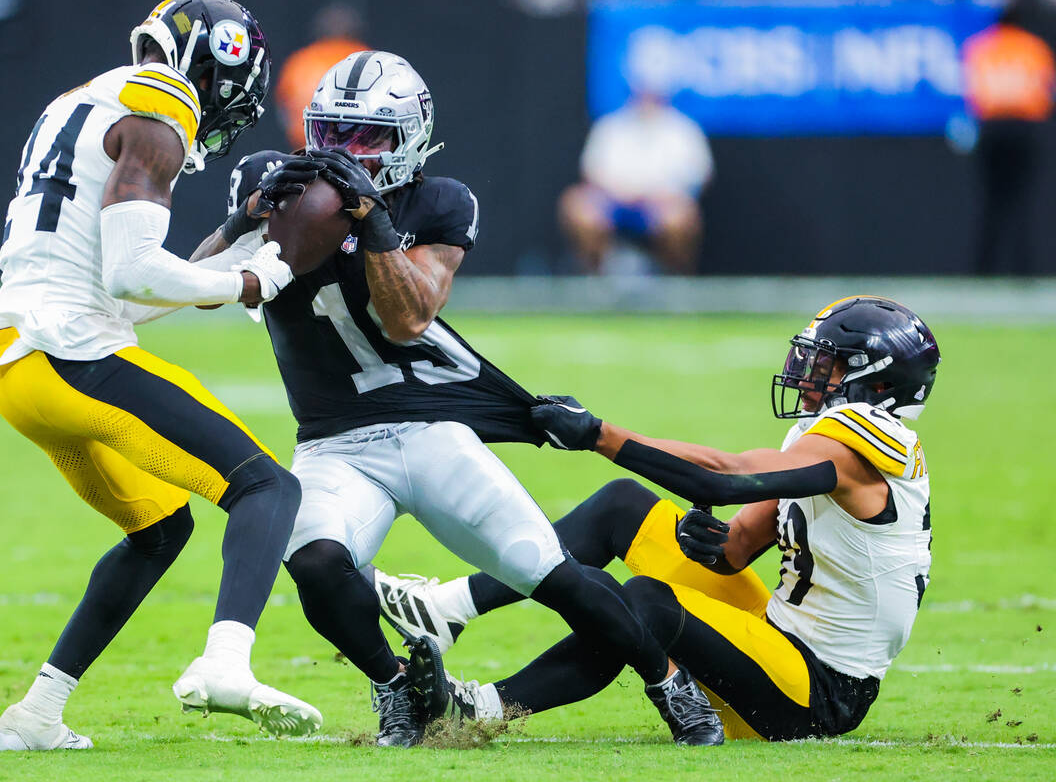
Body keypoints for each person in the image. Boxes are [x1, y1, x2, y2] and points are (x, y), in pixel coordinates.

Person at [196, 50, 668, 748]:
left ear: (411, 136)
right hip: (333, 440)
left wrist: (372, 219)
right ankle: (401, 690)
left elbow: (408, 319)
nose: (343, 152)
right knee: (317, 564)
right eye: (331, 133)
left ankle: (669, 684)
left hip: (429, 428)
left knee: (551, 574)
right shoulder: (281, 182)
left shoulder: (438, 202)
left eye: (367, 137)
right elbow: (196, 287)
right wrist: (245, 219)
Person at [0, 0, 329, 750]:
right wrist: (247, 281)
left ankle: (36, 717)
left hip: (18, 369)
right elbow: (133, 274)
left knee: (157, 528)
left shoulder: (84, 101)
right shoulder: (161, 107)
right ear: (211, 65)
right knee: (267, 486)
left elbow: (124, 291)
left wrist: (234, 237)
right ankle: (225, 664)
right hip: (73, 358)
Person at [377, 296, 940, 745]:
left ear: (880, 384)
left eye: (830, 362)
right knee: (625, 506)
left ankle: (482, 707)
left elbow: (723, 478)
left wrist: (599, 435)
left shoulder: (866, 443)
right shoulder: (825, 438)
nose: (810, 371)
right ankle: (446, 609)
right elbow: (737, 546)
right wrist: (710, 546)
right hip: (774, 636)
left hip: (816, 690)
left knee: (645, 601)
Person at [558, 92, 712, 275]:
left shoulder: (683, 129)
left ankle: (672, 278)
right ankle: (596, 277)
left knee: (679, 218)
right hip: (613, 202)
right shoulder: (610, 125)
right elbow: (592, 172)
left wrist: (657, 194)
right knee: (579, 208)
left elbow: (699, 175)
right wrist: (622, 192)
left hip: (662, 204)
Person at [962, 4, 1055, 275]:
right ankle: (1023, 269)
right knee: (1022, 202)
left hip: (993, 128)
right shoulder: (1034, 48)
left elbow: (974, 92)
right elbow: (1045, 93)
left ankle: (984, 269)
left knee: (992, 202)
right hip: (1024, 127)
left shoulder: (981, 47)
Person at [272, 3, 370, 150]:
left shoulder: (299, 61)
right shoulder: (364, 58)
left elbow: (283, 108)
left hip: (303, 145)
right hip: (354, 147)